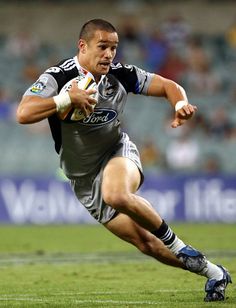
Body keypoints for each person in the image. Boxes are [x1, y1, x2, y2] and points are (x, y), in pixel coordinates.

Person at [16, 19, 231, 302]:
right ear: (83, 46)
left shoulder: (121, 74)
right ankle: (214, 272)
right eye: (102, 47)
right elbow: (23, 113)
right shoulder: (58, 77)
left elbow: (168, 85)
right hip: (82, 178)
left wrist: (179, 104)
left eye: (114, 48)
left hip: (117, 152)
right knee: (147, 244)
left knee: (116, 193)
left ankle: (177, 244)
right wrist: (64, 99)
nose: (109, 54)